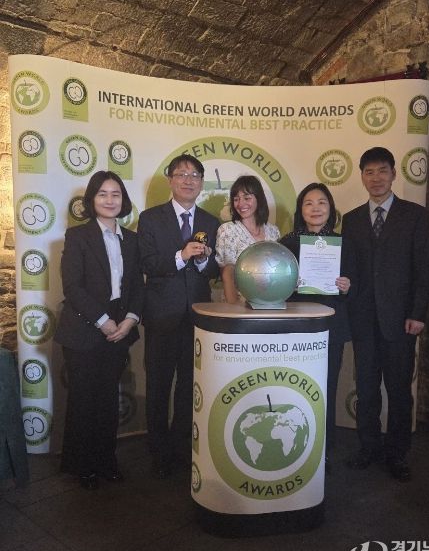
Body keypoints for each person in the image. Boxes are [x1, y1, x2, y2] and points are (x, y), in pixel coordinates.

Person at [342, 147, 429, 482]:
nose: (376, 178)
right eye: (369, 172)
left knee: (398, 391)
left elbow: (424, 269)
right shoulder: (351, 219)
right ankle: (368, 448)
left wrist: (418, 313)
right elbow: (349, 269)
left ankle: (397, 453)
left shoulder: (415, 216)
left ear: (394, 173)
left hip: (401, 320)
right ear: (362, 176)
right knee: (366, 389)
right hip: (364, 320)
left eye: (382, 171)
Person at [55, 171, 144, 490]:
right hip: (84, 331)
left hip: (119, 331)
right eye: (103, 194)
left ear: (123, 200)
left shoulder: (132, 240)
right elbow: (72, 287)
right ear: (91, 200)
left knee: (108, 400)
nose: (110, 200)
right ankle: (84, 466)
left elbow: (137, 286)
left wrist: (130, 320)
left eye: (116, 194)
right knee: (84, 400)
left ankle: (106, 461)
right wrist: (103, 320)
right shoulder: (77, 237)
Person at [138, 154, 220, 478]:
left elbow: (214, 271)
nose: (188, 180)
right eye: (182, 174)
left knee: (190, 386)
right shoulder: (150, 218)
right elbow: (147, 263)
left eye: (195, 175)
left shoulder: (211, 221)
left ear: (202, 182)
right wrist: (182, 255)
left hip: (198, 317)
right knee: (158, 386)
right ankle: (159, 451)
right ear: (170, 179)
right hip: (161, 316)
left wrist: (202, 261)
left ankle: (182, 446)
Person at [279, 183, 351, 465]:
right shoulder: (286, 243)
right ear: (301, 210)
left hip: (332, 328)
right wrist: (289, 284)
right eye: (308, 203)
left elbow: (356, 285)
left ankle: (324, 449)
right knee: (295, 388)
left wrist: (347, 286)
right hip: (296, 328)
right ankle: (294, 448)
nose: (316, 208)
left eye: (322, 202)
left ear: (331, 208)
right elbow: (275, 287)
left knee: (327, 387)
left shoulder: (343, 243)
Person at [216, 175, 280, 303]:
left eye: (247, 198)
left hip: (270, 303)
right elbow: (227, 274)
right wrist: (233, 307)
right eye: (236, 199)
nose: (241, 204)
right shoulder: (227, 230)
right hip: (239, 304)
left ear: (259, 199)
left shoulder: (274, 231)